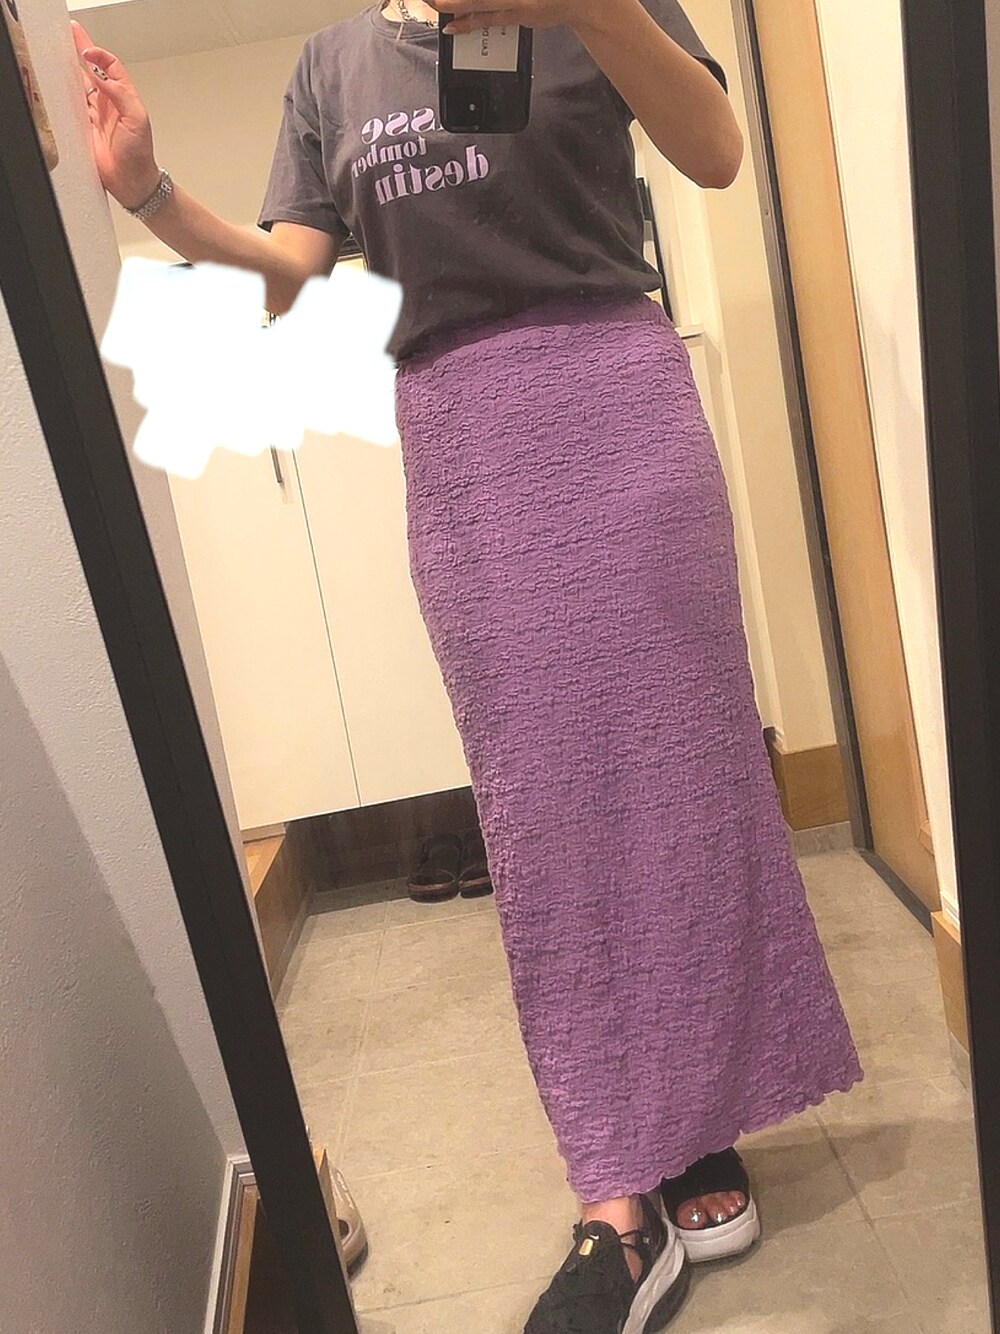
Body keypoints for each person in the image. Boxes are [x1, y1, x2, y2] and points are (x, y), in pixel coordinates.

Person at [74, 0, 862, 1328]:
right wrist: (151, 192)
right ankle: (614, 1184)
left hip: (620, 407)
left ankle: (699, 1123)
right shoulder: (332, 65)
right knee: (543, 818)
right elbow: (289, 272)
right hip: (465, 446)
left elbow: (718, 150)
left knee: (683, 781)